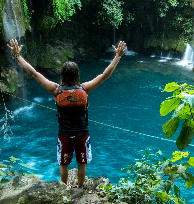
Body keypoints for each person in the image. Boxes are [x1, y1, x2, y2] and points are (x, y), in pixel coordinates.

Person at [7, 39, 127, 188]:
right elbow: (104, 75)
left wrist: (17, 56)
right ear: (77, 74)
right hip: (82, 133)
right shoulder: (84, 89)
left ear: (62, 74)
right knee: (81, 162)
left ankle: (64, 188)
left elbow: (34, 74)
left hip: (64, 134)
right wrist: (118, 56)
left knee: (64, 163)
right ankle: (80, 187)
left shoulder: (56, 90)